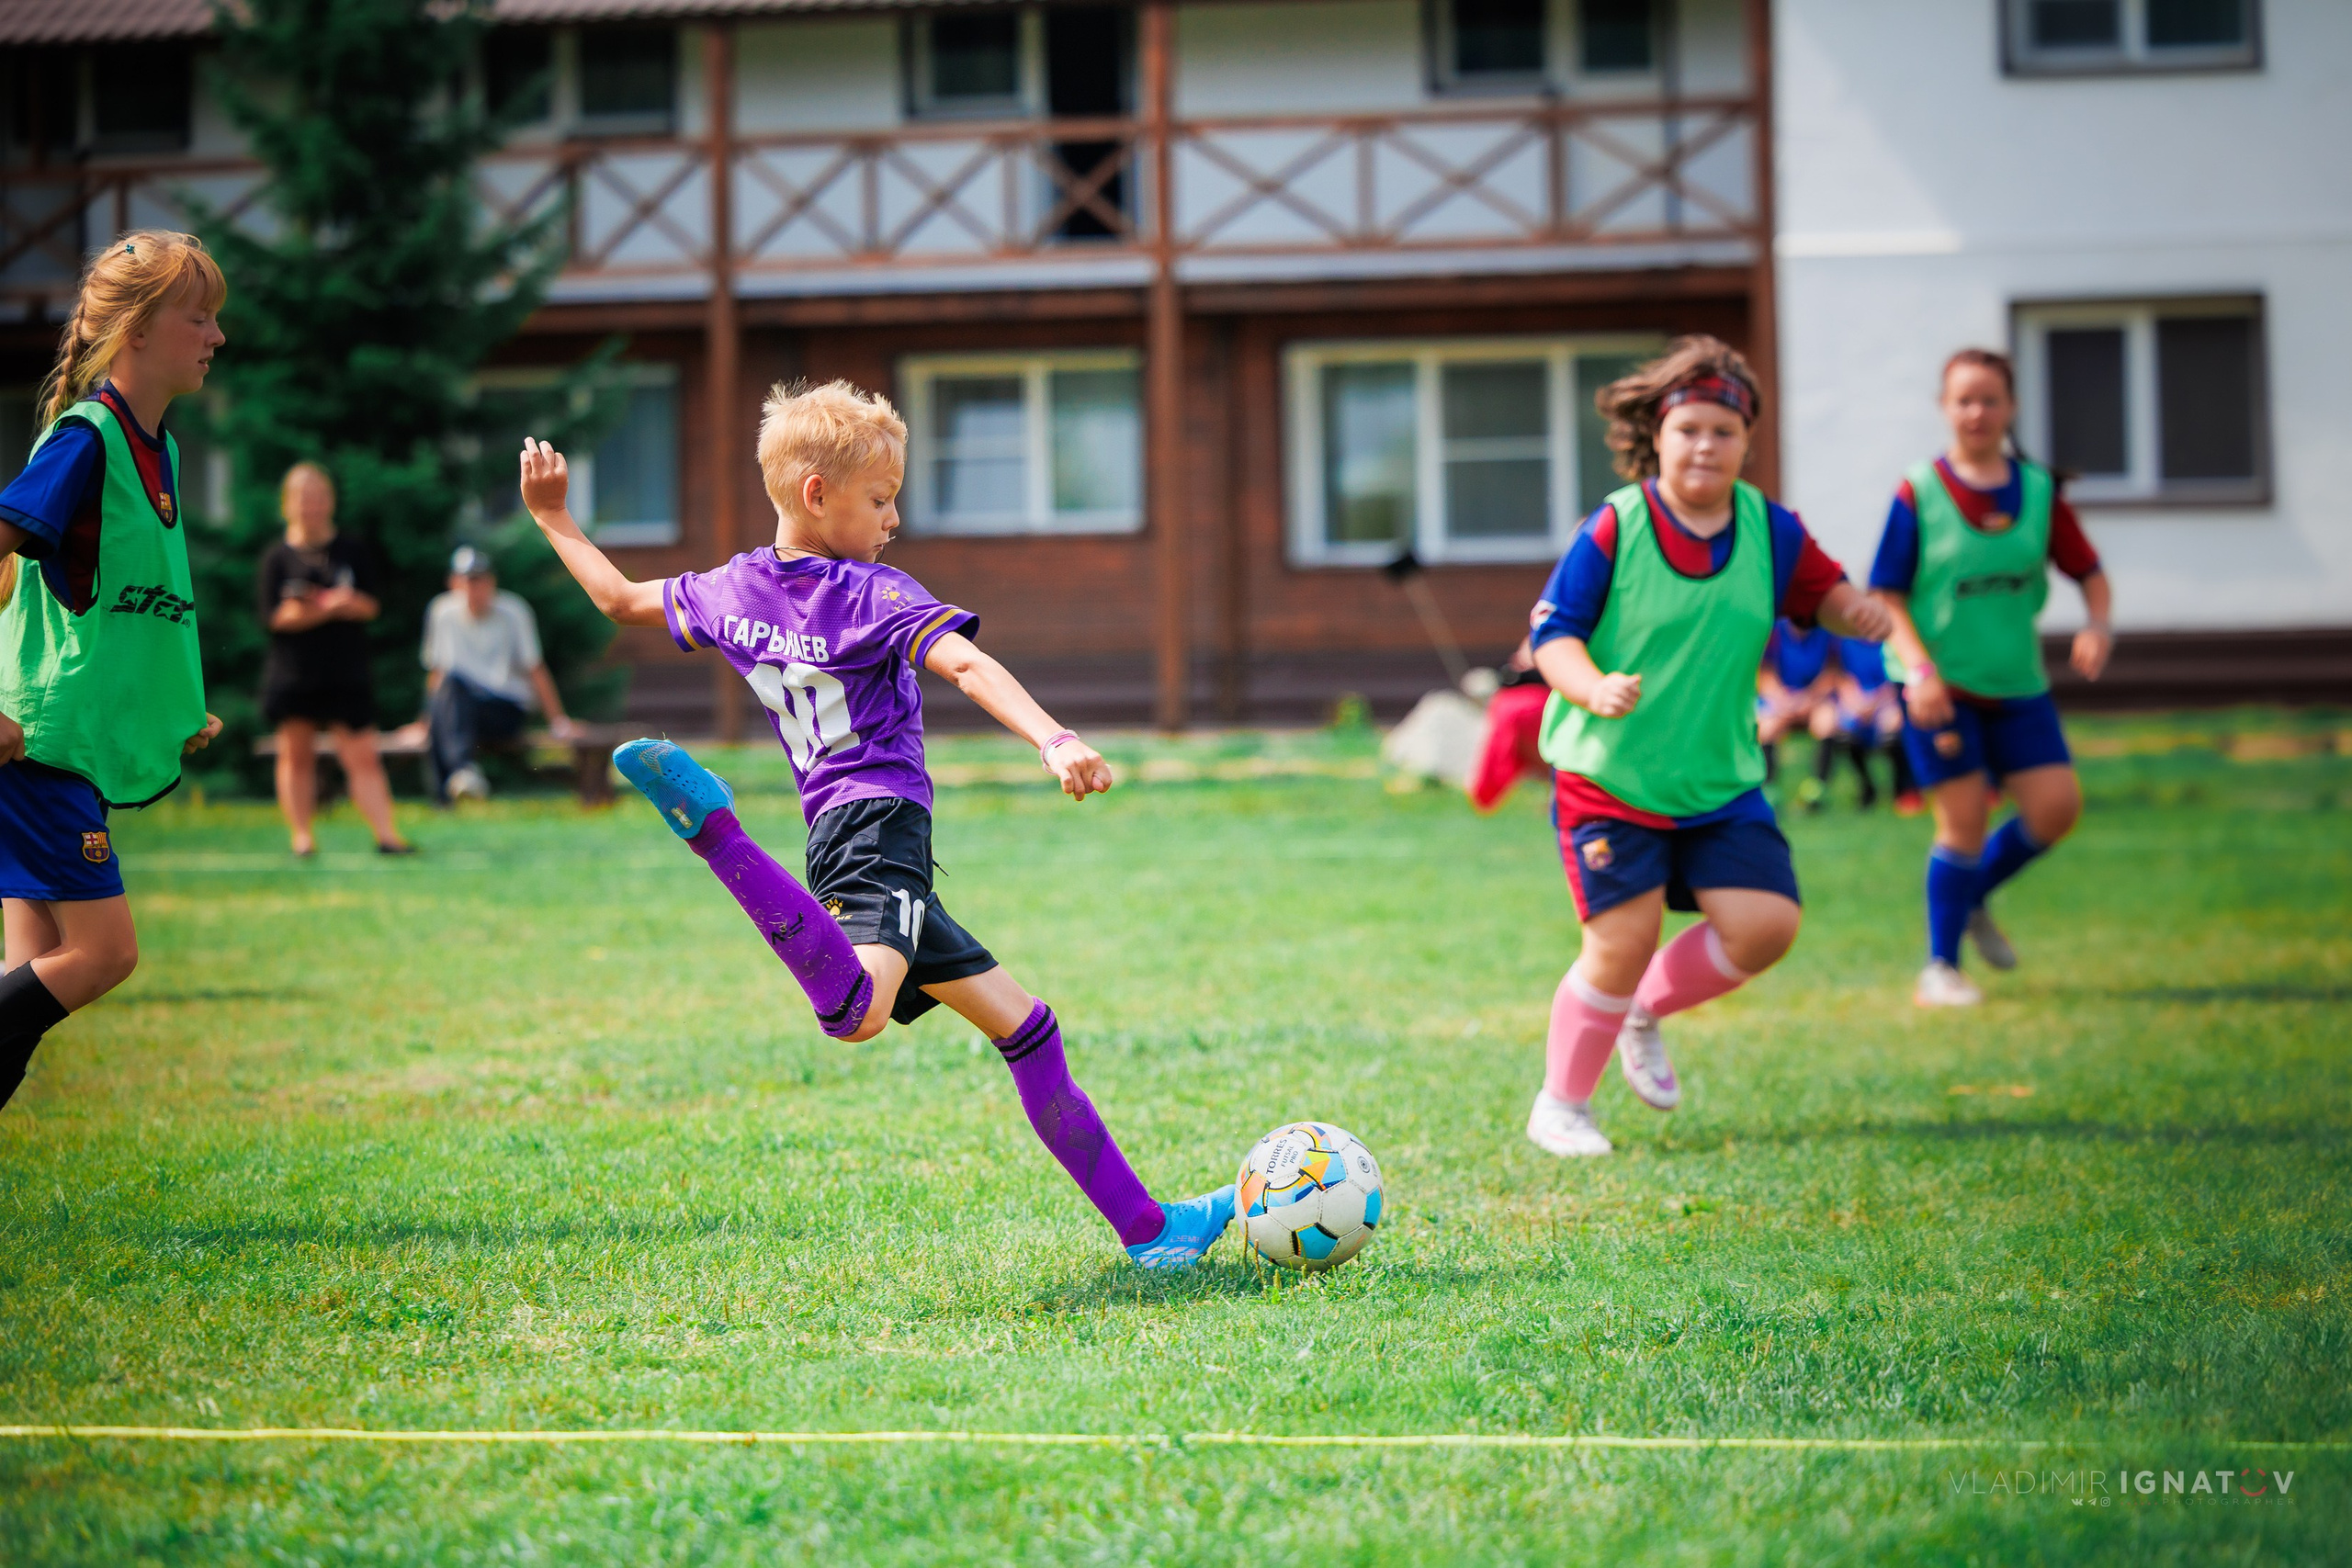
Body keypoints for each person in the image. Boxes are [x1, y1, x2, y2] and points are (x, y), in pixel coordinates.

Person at [514, 379, 1236, 1268]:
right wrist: (1053, 737)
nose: (894, 518)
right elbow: (966, 662)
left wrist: (553, 520)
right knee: (856, 1013)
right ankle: (716, 834)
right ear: (818, 494)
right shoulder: (871, 594)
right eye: (882, 498)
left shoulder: (732, 587)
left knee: (1026, 1027)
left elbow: (622, 600)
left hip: (840, 835)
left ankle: (1150, 1232)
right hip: (883, 828)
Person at [1522, 335, 1892, 1157]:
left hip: (1717, 778)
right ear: (1659, 434)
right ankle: (1560, 1106)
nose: (1704, 445)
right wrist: (1591, 686)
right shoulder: (1618, 526)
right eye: (1688, 428)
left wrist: (1857, 612)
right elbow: (1552, 637)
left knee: (1766, 925)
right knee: (1622, 940)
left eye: (1722, 431)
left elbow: (1822, 593)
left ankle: (1643, 1011)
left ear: (1746, 441)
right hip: (1610, 774)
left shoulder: (1770, 528)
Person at [0, 231, 227, 1111]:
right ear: (135, 329)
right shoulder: (86, 441)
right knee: (103, 953)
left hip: (74, 747)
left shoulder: (156, 449)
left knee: (25, 973)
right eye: (198, 317)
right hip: (39, 748)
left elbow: (127, 607)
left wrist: (173, 707)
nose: (216, 337)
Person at [1871, 348, 2111, 1007]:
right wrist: (1919, 671)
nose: (1976, 411)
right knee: (1964, 820)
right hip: (1939, 689)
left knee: (2056, 808)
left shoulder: (2037, 490)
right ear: (1944, 408)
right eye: (1963, 399)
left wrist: (2097, 624)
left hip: (2017, 684)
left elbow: (2089, 570)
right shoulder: (1918, 491)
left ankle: (1970, 895)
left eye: (1990, 399)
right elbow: (1886, 595)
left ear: (2012, 407)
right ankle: (1939, 968)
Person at [259, 462, 413, 857]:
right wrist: (329, 607)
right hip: (294, 673)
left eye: (318, 497)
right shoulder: (277, 558)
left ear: (330, 501)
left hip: (346, 670)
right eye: (303, 499)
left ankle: (386, 835)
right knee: (296, 755)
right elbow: (276, 618)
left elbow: (370, 605)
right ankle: (302, 837)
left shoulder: (352, 550)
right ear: (287, 505)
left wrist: (336, 604)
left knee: (363, 756)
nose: (311, 506)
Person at [418, 546, 576, 804]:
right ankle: (455, 785)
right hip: (459, 707)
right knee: (447, 695)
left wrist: (558, 721)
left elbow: (534, 667)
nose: (474, 588)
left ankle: (456, 779)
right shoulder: (441, 612)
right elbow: (438, 673)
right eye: (468, 581)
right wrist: (424, 721)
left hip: (505, 709)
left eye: (480, 580)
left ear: (491, 581)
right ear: (454, 583)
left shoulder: (514, 611)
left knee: (448, 699)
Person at [1831, 633, 1923, 815]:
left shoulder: (1890, 641)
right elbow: (1838, 674)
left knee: (1894, 730)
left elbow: (1897, 676)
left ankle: (1902, 788)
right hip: (1856, 701)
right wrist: (1855, 701)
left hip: (1887, 699)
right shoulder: (1843, 641)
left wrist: (1876, 703)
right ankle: (1866, 785)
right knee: (1842, 733)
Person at [1754, 618, 1842, 807]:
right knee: (1766, 726)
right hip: (1780, 699)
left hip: (1814, 699)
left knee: (1828, 720)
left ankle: (1818, 788)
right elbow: (1763, 673)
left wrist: (1809, 698)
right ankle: (1768, 788)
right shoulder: (1774, 631)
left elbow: (1832, 672)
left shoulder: (1826, 633)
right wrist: (1783, 700)